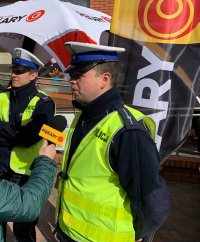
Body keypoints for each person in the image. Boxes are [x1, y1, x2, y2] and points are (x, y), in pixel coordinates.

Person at [55, 42, 170, 242]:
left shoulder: (127, 130)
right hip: (68, 231)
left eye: (78, 76)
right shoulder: (84, 115)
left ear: (105, 79)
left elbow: (152, 200)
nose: (71, 81)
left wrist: (141, 233)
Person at [0, 48, 55, 242]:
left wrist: (5, 130)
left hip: (26, 173)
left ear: (33, 75)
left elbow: (28, 139)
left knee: (24, 229)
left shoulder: (44, 103)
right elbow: (21, 135)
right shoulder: (2, 96)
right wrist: (14, 132)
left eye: (20, 71)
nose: (14, 74)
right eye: (13, 70)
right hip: (1, 169)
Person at [0, 139, 57, 242]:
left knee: (24, 229)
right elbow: (30, 205)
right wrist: (46, 163)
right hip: (7, 170)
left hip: (30, 173)